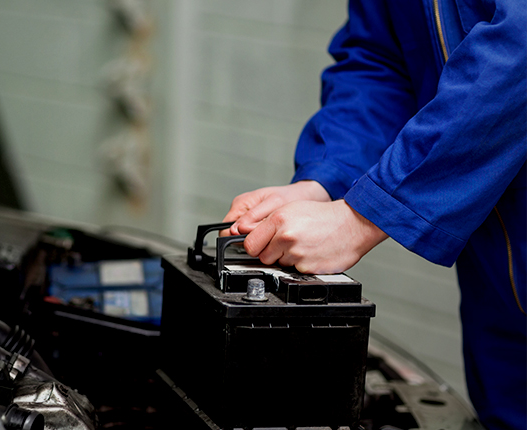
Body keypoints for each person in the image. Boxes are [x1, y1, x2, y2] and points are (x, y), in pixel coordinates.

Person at [221, 1, 526, 429]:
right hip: (501, 290)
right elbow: (380, 58)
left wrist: (358, 219)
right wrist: (325, 181)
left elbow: (521, 47)